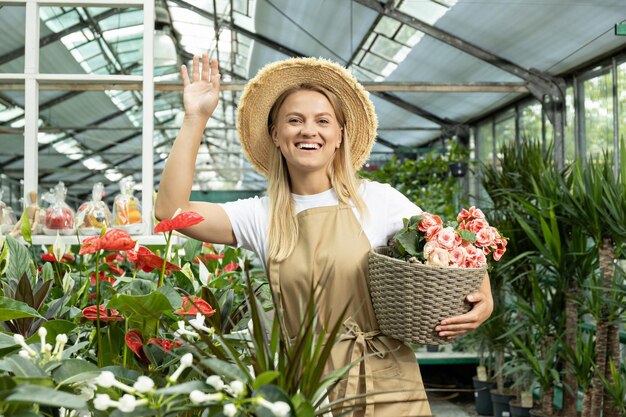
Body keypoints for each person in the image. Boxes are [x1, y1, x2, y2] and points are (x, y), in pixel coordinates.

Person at [155, 54, 494, 417]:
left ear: (339, 135)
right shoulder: (261, 214)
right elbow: (171, 213)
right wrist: (196, 118)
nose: (308, 131)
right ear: (276, 134)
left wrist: (484, 300)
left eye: (322, 121)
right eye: (294, 120)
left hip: (387, 382)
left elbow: (458, 253)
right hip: (307, 387)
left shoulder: (377, 200)